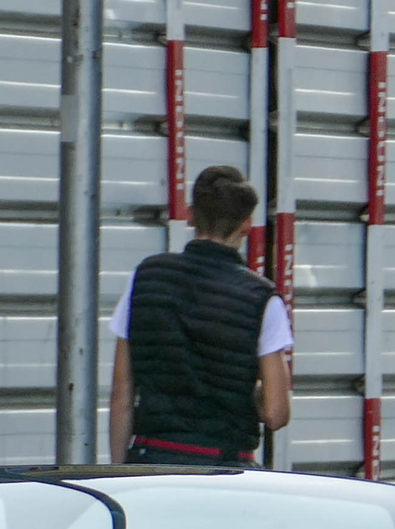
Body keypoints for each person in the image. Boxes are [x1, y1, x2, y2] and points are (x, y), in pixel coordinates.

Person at [109, 166, 292, 466]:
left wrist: (120, 472)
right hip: (224, 470)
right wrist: (241, 391)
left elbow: (122, 392)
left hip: (151, 461)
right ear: (246, 225)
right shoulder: (262, 299)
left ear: (191, 214)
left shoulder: (146, 278)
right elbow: (276, 414)